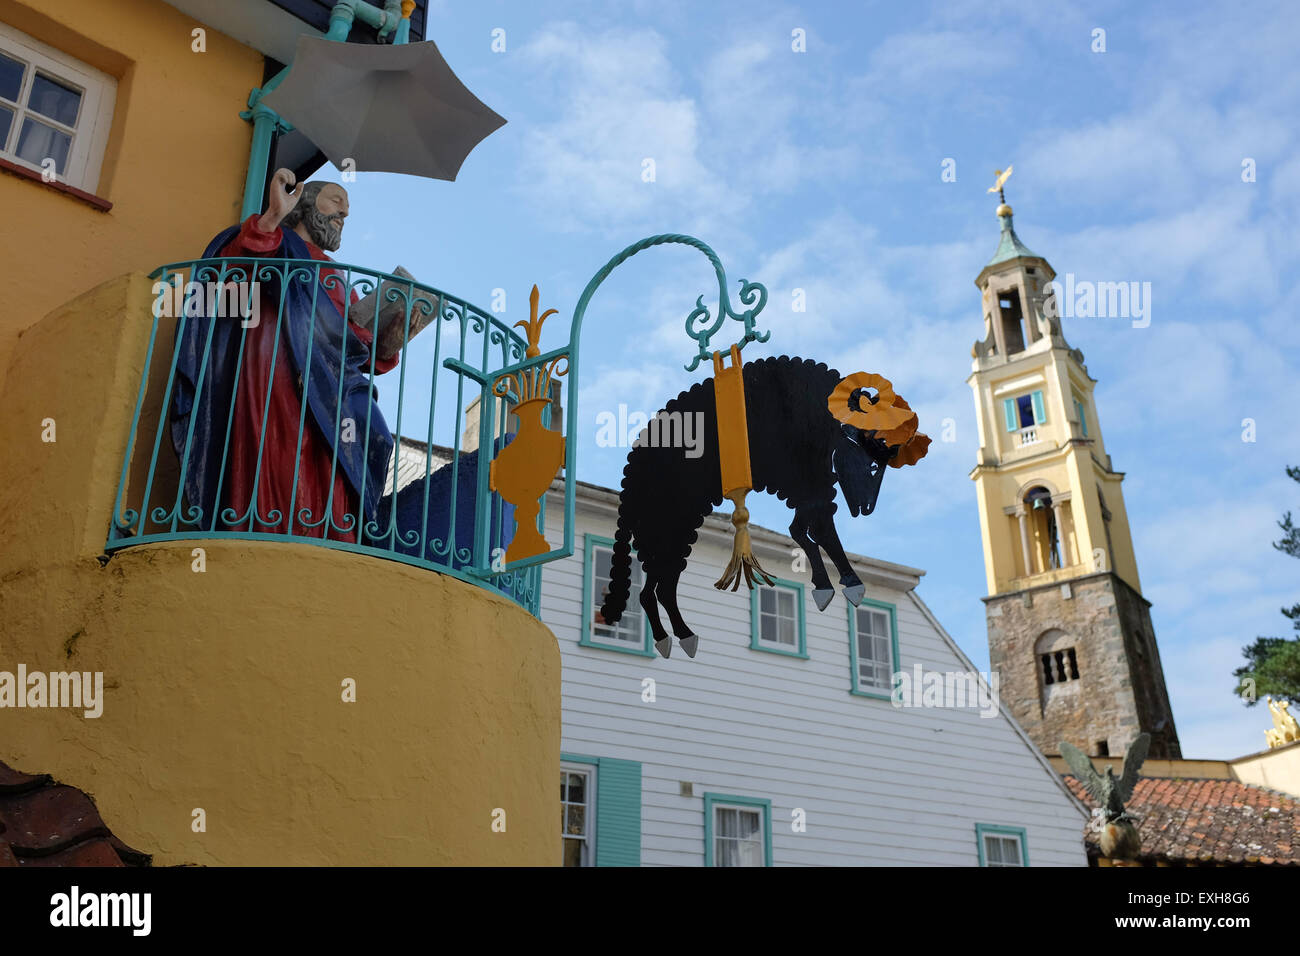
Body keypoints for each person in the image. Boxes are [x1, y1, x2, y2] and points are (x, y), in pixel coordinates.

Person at [171, 169, 400, 543]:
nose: (344, 214)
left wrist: (391, 335)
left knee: (368, 436)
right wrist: (274, 215)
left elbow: (363, 351)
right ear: (305, 204)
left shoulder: (340, 278)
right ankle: (271, 526)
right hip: (279, 360)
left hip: (335, 381)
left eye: (347, 207)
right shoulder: (278, 242)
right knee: (283, 445)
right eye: (336, 202)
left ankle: (334, 531)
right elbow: (231, 271)